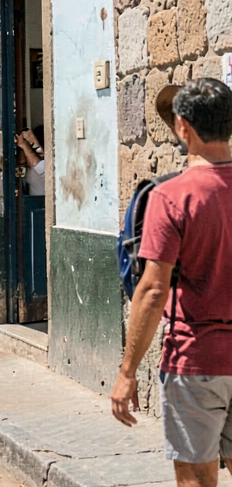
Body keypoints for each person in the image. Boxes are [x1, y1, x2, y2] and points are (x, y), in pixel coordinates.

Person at [112, 78, 232, 487]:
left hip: (195, 359)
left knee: (196, 480)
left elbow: (151, 290)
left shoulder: (171, 196)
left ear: (182, 126)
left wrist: (128, 371)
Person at [14, 126, 47, 196]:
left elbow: (38, 165)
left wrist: (24, 145)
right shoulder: (29, 165)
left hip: (43, 203)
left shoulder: (48, 163)